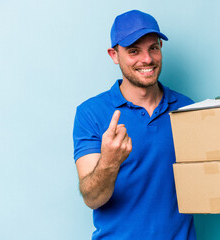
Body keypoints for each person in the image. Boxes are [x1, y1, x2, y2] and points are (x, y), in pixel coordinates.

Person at [73, 10, 197, 240]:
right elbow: (92, 198)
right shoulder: (90, 113)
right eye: (133, 51)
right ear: (114, 55)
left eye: (153, 48)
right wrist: (110, 161)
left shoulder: (188, 108)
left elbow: (209, 178)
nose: (147, 59)